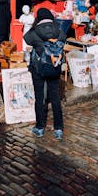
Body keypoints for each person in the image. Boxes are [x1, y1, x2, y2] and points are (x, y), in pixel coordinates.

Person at [24, 8, 66, 140]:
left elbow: (26, 39)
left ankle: (40, 127)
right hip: (54, 67)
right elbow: (63, 39)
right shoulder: (58, 29)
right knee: (55, 97)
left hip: (38, 68)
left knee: (39, 97)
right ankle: (58, 129)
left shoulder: (34, 31)